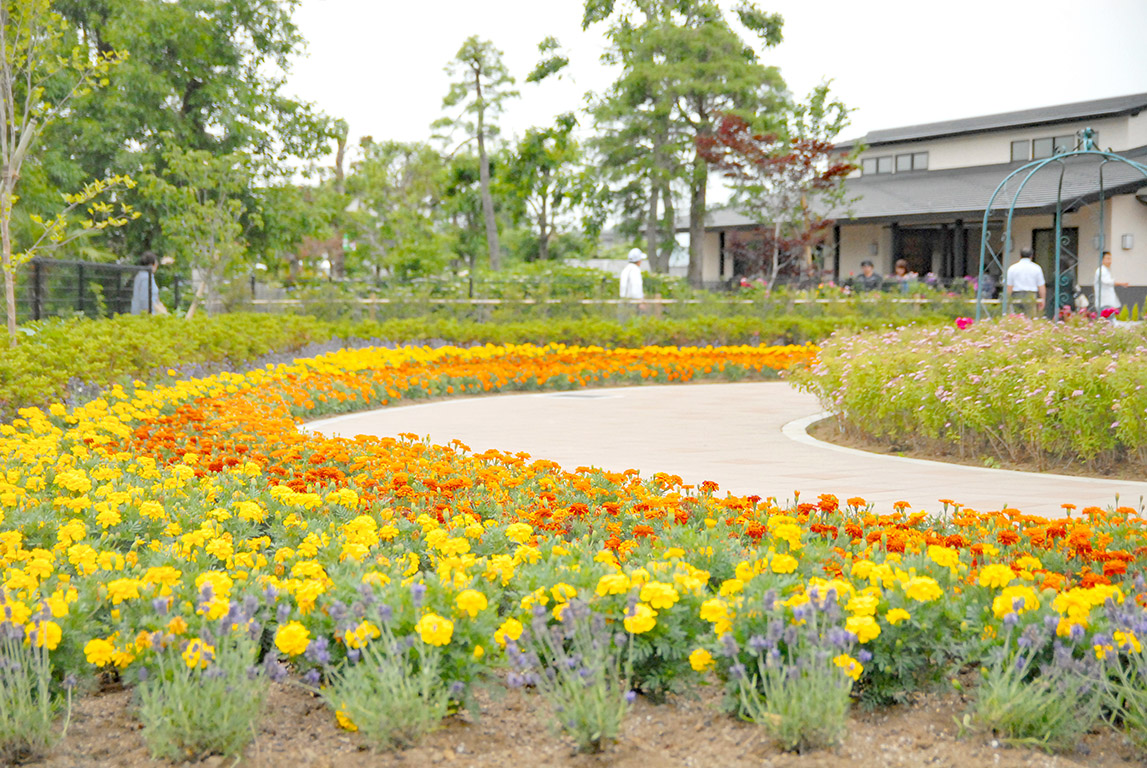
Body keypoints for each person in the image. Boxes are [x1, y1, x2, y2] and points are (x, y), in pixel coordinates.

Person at [1005, 247, 1045, 317]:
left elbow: (1009, 286)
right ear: (1031, 256)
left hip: (1016, 294)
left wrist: (1007, 299)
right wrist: (1042, 299)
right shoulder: (1036, 268)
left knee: (1017, 317)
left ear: (1020, 256)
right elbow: (1041, 286)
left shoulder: (1012, 268)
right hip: (1031, 295)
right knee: (1030, 318)